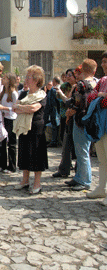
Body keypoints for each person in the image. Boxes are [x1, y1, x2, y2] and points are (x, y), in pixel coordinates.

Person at [13, 65, 48, 195]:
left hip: (36, 128)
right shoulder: (23, 93)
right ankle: (25, 180)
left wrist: (22, 107)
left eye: (29, 77)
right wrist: (23, 107)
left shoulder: (41, 95)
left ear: (36, 79)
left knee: (36, 154)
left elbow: (34, 108)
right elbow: (14, 108)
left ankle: (37, 183)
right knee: (24, 152)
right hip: (24, 127)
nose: (26, 79)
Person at [64, 59, 97, 191]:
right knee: (84, 150)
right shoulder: (97, 82)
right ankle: (79, 177)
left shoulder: (81, 84)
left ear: (82, 69)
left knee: (81, 151)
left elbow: (77, 103)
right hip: (91, 120)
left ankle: (85, 180)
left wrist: (70, 111)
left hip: (80, 119)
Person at [86, 51, 107, 203]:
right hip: (101, 122)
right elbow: (91, 96)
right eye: (103, 62)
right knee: (102, 158)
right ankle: (101, 188)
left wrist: (100, 96)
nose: (104, 65)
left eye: (106, 62)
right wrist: (101, 95)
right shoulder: (103, 80)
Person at [52, 69, 77, 178]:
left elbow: (69, 101)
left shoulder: (78, 86)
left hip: (75, 116)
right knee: (64, 139)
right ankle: (66, 166)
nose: (68, 77)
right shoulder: (65, 86)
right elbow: (59, 98)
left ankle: (75, 168)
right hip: (64, 115)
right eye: (67, 75)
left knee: (76, 144)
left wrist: (63, 96)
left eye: (70, 75)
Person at [0, 73, 18, 173]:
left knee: (11, 144)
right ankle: (2, 164)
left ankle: (12, 167)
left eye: (4, 78)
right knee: (2, 142)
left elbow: (15, 108)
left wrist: (4, 108)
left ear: (9, 80)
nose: (2, 80)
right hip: (3, 119)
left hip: (11, 119)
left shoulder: (14, 93)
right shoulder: (4, 92)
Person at [44, 76, 61, 148]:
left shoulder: (54, 89)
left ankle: (54, 141)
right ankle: (53, 141)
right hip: (53, 110)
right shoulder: (55, 89)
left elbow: (53, 101)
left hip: (53, 110)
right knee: (54, 126)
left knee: (54, 126)